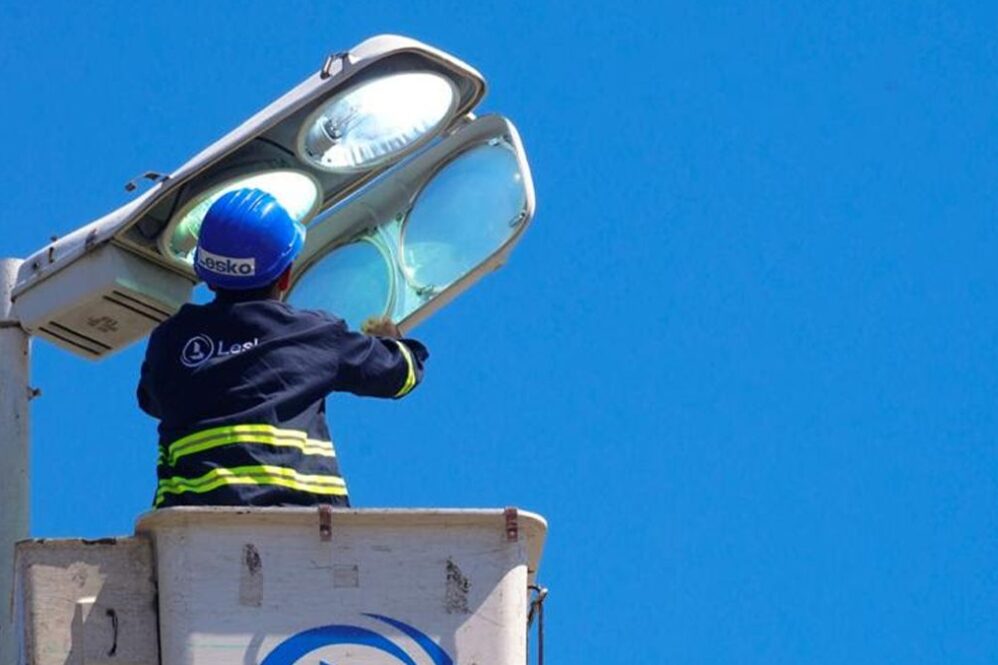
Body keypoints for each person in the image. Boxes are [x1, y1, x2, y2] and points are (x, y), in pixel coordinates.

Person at [137, 188, 428, 508]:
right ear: (286, 275)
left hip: (190, 521)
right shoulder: (315, 334)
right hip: (300, 521)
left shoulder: (170, 339)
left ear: (207, 274)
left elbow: (151, 401)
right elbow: (402, 375)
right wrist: (394, 339)